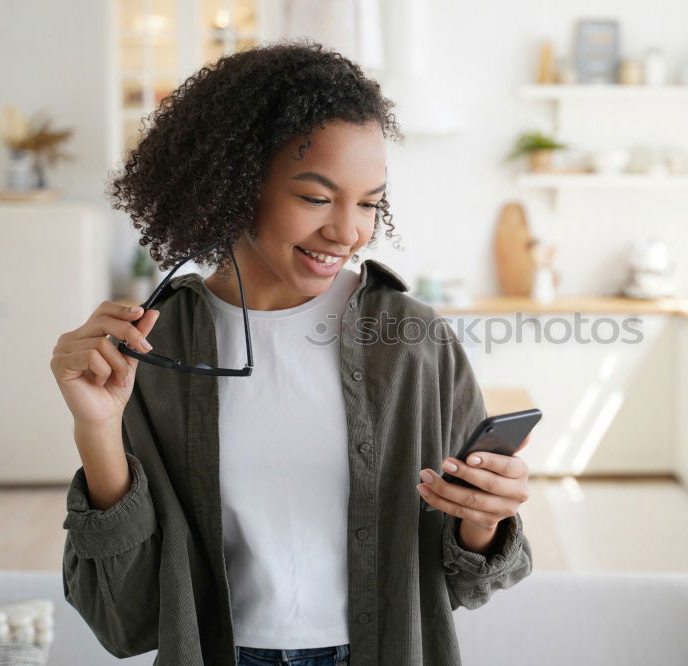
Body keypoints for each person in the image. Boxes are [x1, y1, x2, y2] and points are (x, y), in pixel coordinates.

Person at [50, 40, 533, 666]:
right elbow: (125, 616)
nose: (348, 231)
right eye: (315, 197)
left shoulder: (412, 339)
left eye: (369, 202)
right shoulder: (153, 347)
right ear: (234, 182)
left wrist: (484, 520)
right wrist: (96, 429)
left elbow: (469, 582)